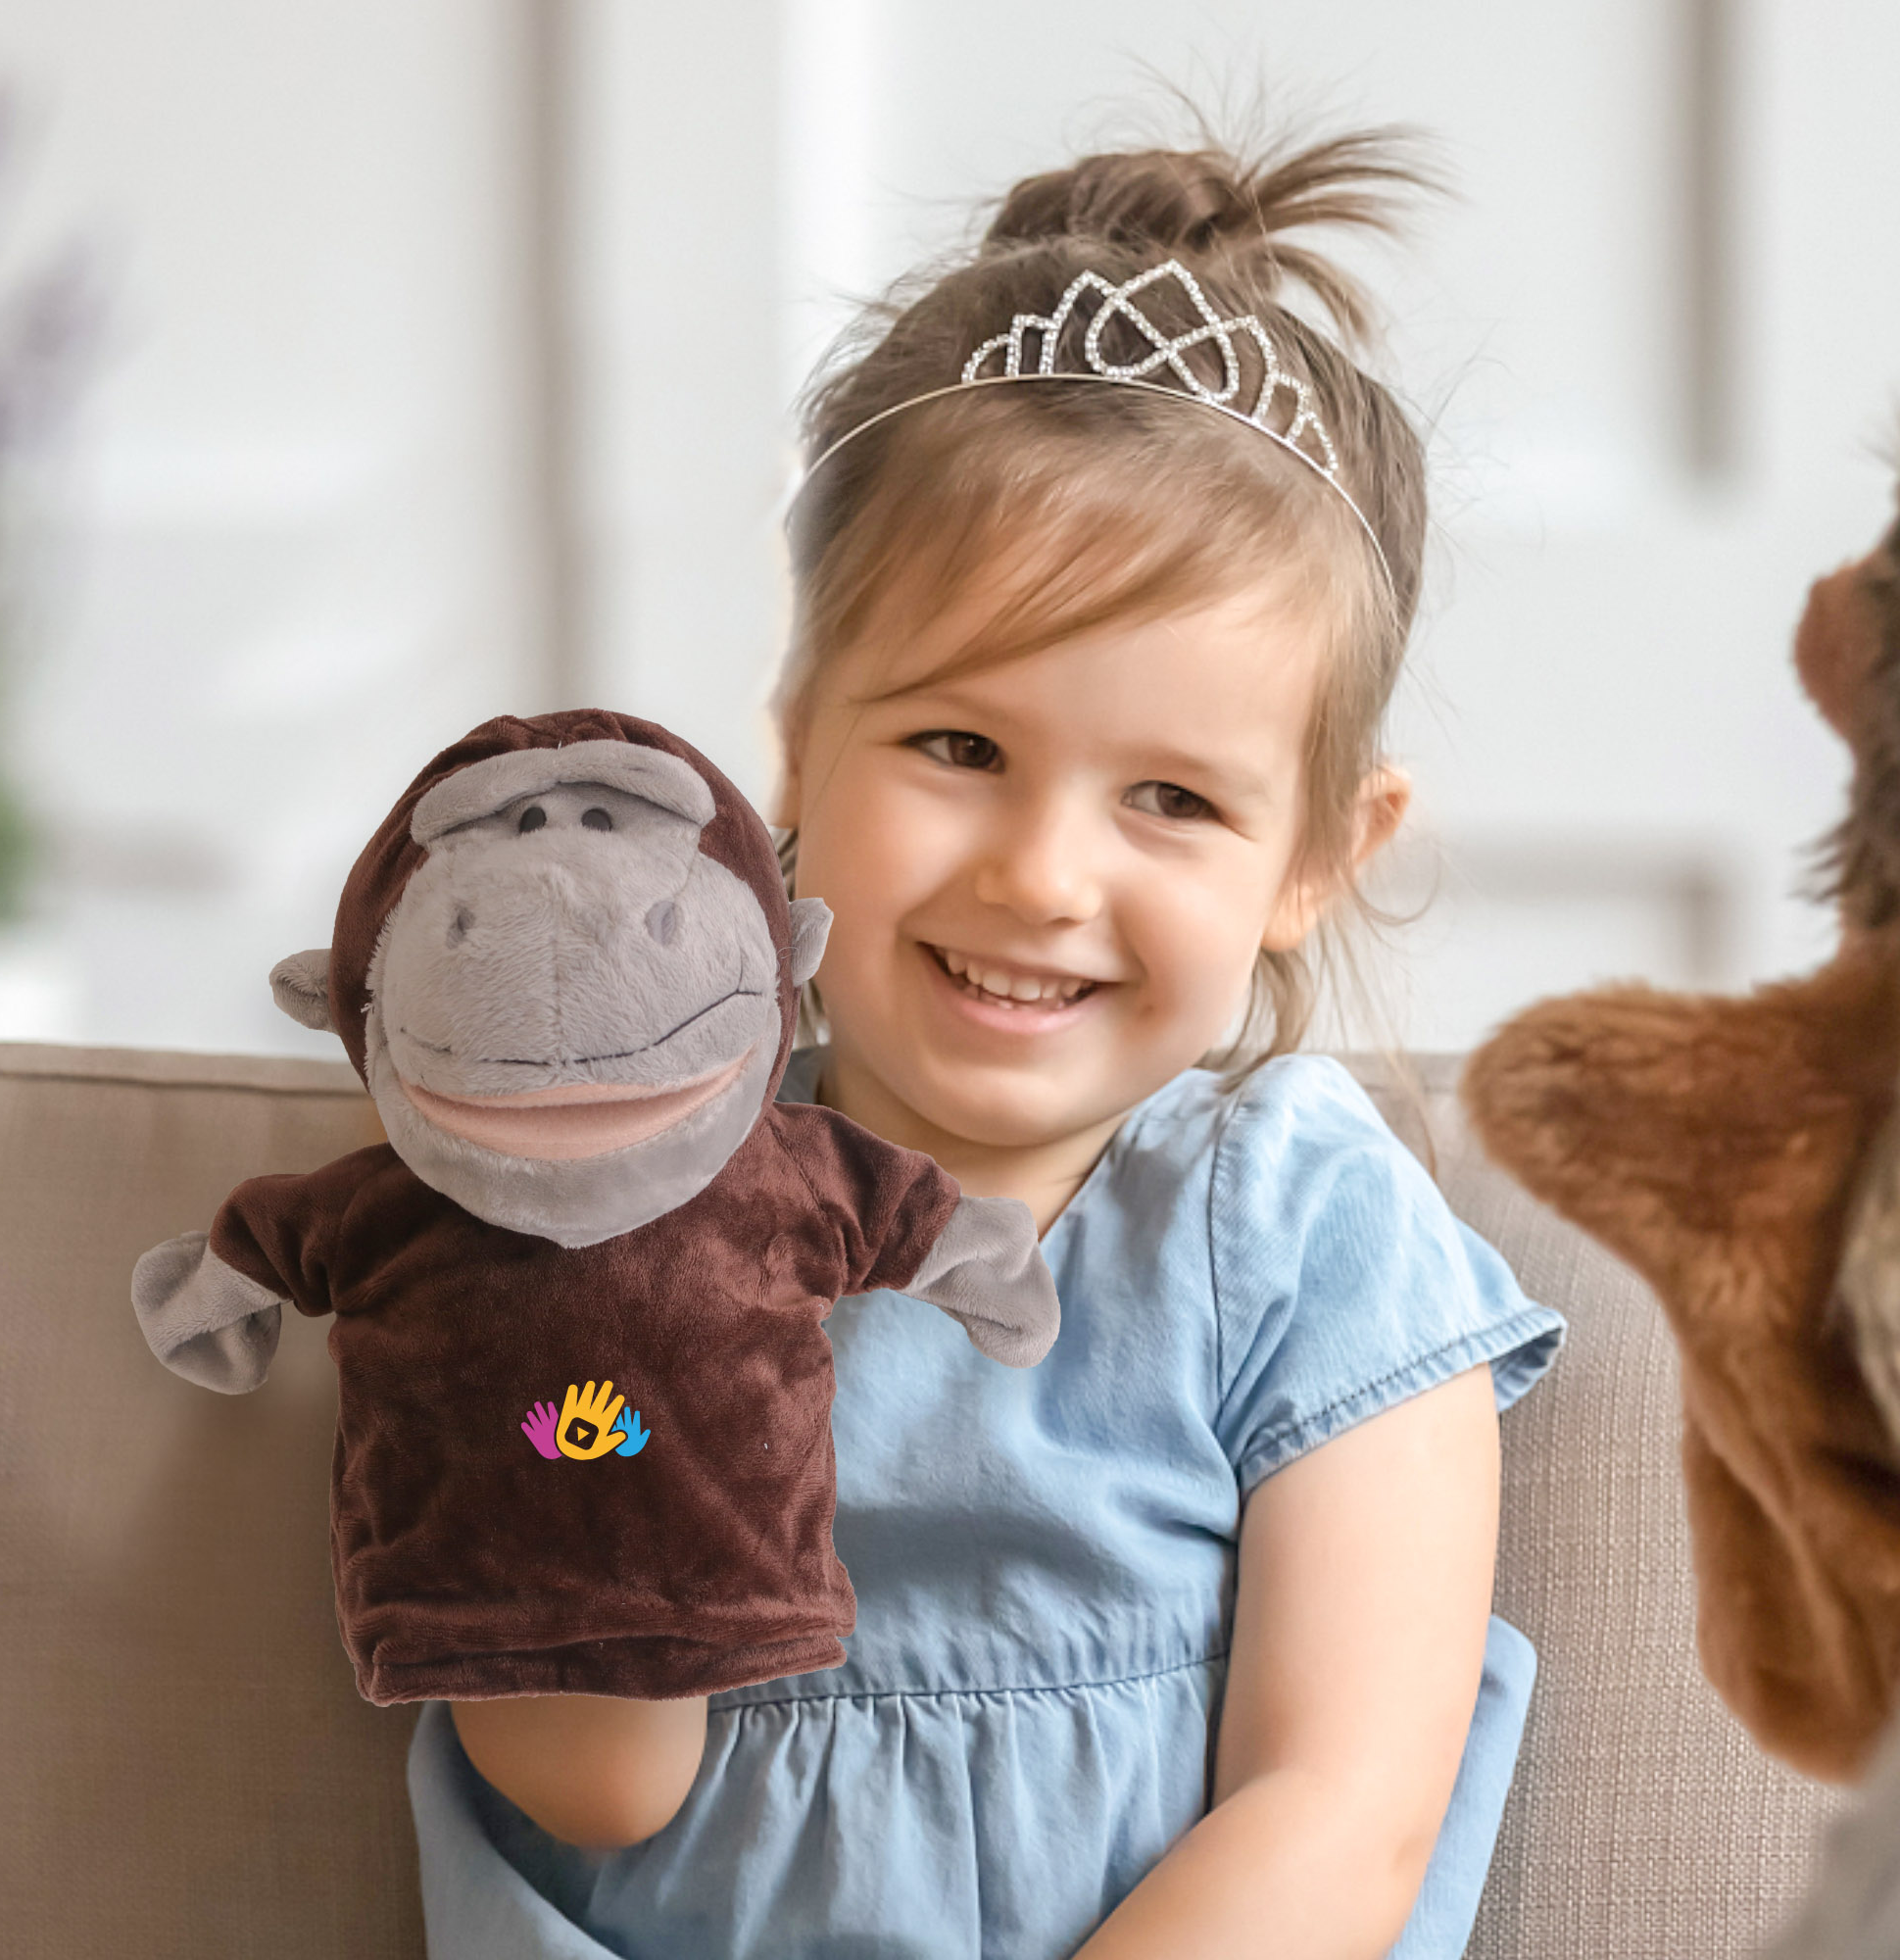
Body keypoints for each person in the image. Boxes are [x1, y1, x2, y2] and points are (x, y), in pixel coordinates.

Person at [406, 125, 1566, 1960]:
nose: (1040, 875)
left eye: (1172, 798)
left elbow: (1341, 1816)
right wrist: (582, 1287)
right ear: (797, 742)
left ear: (1318, 858)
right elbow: (594, 1783)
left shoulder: (1301, 1236)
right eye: (960, 749)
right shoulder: (625, 1207)